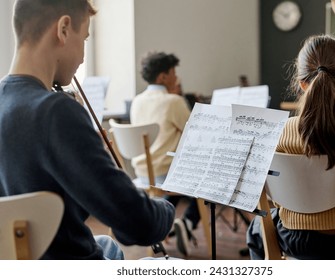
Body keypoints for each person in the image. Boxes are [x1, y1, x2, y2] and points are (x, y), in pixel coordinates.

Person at [0, 0, 175, 260]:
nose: (82, 57)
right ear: (63, 29)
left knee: (107, 243)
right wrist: (167, 208)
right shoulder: (55, 111)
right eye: (84, 39)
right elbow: (137, 225)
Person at [247, 34, 335, 259]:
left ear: (302, 83)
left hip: (301, 241)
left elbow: (274, 196)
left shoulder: (281, 131)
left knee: (256, 229)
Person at [130, 51, 200, 256]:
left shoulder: (137, 101)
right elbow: (195, 132)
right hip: (166, 173)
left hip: (142, 173)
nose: (176, 78)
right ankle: (187, 222)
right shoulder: (173, 101)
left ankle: (166, 218)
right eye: (173, 73)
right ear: (162, 77)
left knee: (175, 177)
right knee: (207, 180)